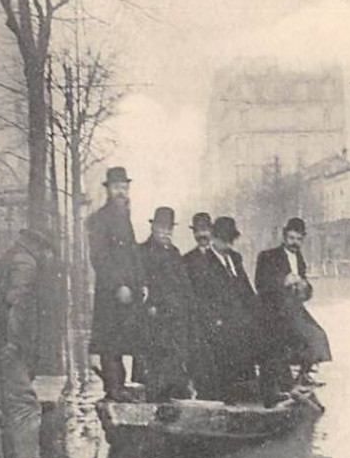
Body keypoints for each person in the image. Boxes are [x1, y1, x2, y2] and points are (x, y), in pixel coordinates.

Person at [0, 228, 61, 458]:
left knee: (12, 402)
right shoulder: (26, 264)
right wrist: (15, 344)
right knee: (25, 403)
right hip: (10, 345)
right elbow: (16, 306)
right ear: (41, 247)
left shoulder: (12, 256)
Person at [185, 215, 258, 402]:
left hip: (239, 319)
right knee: (228, 341)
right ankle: (227, 396)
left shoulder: (235, 258)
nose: (227, 245)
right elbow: (202, 298)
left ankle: (252, 391)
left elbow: (247, 291)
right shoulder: (204, 262)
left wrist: (258, 313)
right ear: (214, 238)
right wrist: (217, 319)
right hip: (217, 322)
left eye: (230, 241)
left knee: (258, 333)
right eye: (223, 240)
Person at [87, 165, 144, 401]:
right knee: (110, 340)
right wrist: (119, 285)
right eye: (117, 187)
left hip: (127, 291)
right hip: (111, 292)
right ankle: (113, 388)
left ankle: (118, 385)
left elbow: (132, 253)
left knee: (120, 339)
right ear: (108, 190)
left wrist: (140, 282)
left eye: (125, 187)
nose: (122, 192)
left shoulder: (124, 217)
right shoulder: (101, 219)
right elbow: (99, 257)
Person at [255, 217, 332, 389]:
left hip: (294, 309)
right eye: (291, 238)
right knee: (288, 340)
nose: (294, 243)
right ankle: (285, 382)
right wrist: (283, 281)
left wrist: (305, 287)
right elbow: (260, 284)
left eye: (298, 239)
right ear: (284, 237)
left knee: (317, 335)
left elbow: (306, 293)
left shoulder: (300, 260)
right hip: (273, 310)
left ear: (303, 239)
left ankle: (303, 375)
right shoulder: (268, 256)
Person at [138, 206, 198, 401]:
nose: (165, 233)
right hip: (156, 318)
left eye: (169, 229)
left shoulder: (174, 252)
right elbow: (141, 281)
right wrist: (152, 306)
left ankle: (177, 403)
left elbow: (185, 284)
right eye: (161, 228)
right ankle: (156, 403)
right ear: (153, 228)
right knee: (156, 364)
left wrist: (189, 307)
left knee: (178, 362)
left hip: (177, 318)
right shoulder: (143, 251)